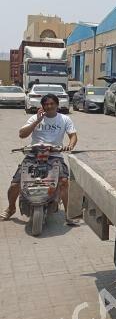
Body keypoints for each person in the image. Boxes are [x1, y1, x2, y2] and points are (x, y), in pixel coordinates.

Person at [1, 93, 79, 225]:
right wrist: (37, 120)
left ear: (57, 105)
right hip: (33, 155)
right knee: (15, 184)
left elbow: (73, 135)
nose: (49, 106)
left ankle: (68, 214)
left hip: (55, 155)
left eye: (52, 104)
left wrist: (69, 146)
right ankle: (11, 208)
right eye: (46, 104)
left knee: (64, 181)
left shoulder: (65, 119)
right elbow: (22, 135)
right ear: (42, 106)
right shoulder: (34, 118)